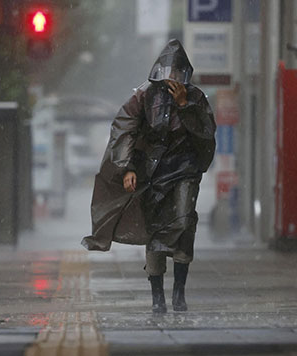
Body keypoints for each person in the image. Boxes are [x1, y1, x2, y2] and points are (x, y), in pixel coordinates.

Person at [81, 39, 216, 313]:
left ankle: (179, 291)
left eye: (178, 73)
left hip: (185, 169)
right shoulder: (144, 96)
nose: (173, 78)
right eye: (169, 72)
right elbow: (124, 128)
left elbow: (206, 133)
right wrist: (127, 167)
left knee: (183, 220)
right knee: (156, 228)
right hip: (152, 172)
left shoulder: (197, 97)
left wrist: (184, 105)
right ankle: (158, 296)